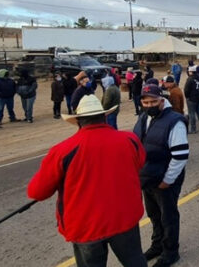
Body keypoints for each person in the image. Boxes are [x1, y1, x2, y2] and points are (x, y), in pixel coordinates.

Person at [27, 95, 146, 267]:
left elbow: (37, 191)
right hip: (124, 217)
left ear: (78, 121)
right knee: (135, 260)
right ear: (104, 117)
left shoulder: (62, 150)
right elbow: (140, 162)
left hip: (87, 225)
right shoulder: (129, 139)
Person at [133, 84, 189, 267]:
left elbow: (180, 156)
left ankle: (170, 252)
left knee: (168, 217)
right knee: (154, 215)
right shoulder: (143, 118)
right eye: (145, 102)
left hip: (165, 181)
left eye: (153, 101)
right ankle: (157, 245)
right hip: (147, 179)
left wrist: (167, 180)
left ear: (161, 100)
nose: (149, 105)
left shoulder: (175, 121)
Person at [184, 66, 199, 133]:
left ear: (191, 72)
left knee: (192, 114)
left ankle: (193, 129)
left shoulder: (190, 79)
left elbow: (186, 89)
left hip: (191, 98)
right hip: (198, 97)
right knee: (198, 112)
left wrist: (187, 96)